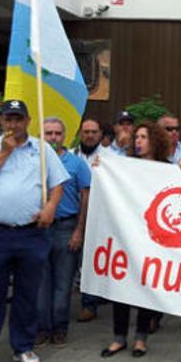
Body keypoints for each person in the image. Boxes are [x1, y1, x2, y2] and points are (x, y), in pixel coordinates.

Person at [0, 100, 68, 362]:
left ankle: (23, 346)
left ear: (28, 121)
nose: (13, 124)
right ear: (1, 121)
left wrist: (50, 207)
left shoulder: (42, 149)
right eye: (8, 119)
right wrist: (3, 154)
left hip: (30, 234)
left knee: (27, 294)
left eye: (18, 119)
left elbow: (58, 184)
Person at [101, 121, 166, 358]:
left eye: (143, 137)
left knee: (145, 288)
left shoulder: (165, 168)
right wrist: (101, 167)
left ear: (155, 140)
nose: (138, 141)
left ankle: (141, 338)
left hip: (152, 239)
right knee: (122, 287)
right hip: (126, 236)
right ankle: (119, 338)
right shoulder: (125, 166)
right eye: (136, 137)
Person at [36, 117, 91, 348]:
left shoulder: (77, 164)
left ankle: (59, 328)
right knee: (40, 283)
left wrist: (79, 230)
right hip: (39, 228)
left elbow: (85, 198)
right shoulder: (35, 162)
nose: (53, 137)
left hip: (66, 227)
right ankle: (41, 328)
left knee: (63, 283)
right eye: (48, 133)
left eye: (57, 133)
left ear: (64, 136)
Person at [72, 117, 108, 322]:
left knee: (91, 260)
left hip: (98, 215)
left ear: (101, 134)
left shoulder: (110, 158)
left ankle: (90, 303)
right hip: (73, 212)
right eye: (86, 132)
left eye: (94, 131)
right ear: (80, 134)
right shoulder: (71, 155)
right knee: (73, 258)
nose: (90, 135)